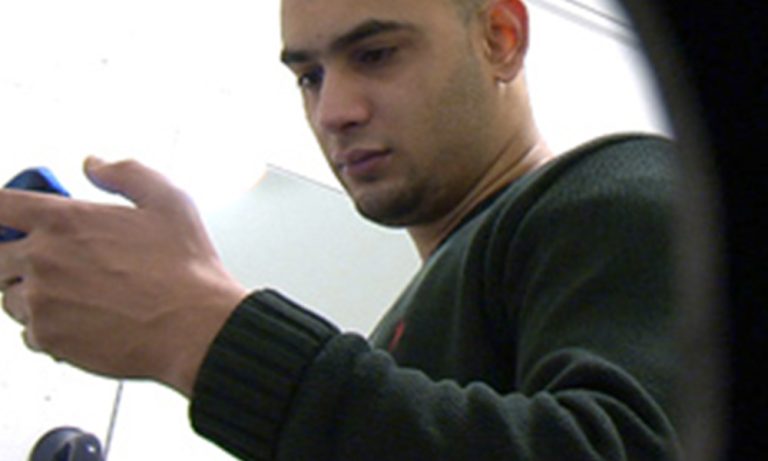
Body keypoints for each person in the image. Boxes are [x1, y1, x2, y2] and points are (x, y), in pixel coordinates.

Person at [0, 0, 682, 459]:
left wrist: (200, 330)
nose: (333, 110)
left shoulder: (620, 183)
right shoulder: (408, 333)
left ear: (499, 38)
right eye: (309, 76)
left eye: (377, 54)